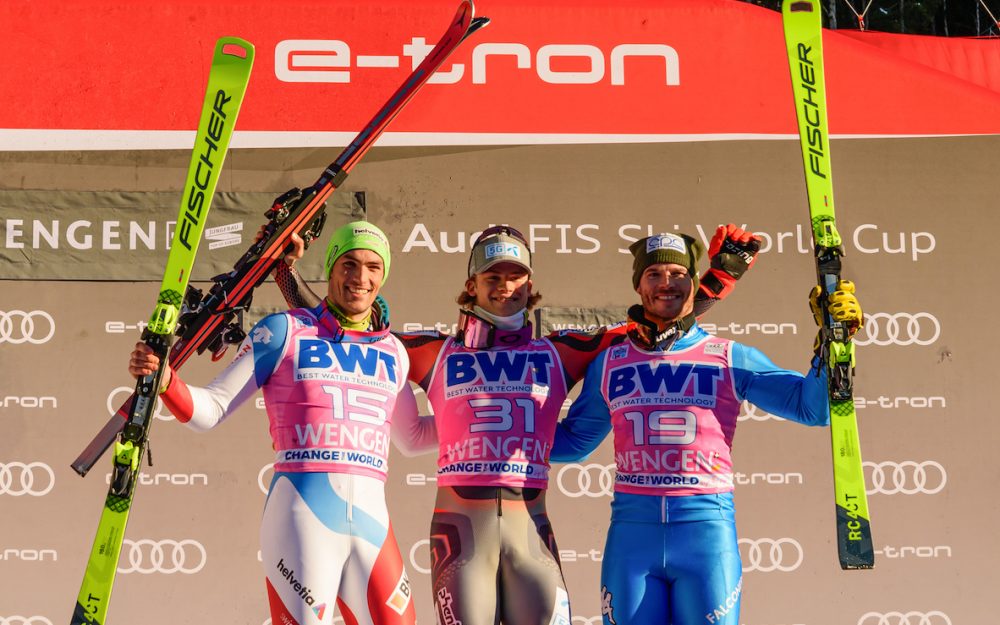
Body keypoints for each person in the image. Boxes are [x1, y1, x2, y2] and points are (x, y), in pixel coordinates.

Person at [271, 223, 760, 625]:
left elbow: (657, 323)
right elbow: (347, 325)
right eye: (493, 276)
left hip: (532, 535)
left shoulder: (560, 351)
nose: (505, 286)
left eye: (516, 276)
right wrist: (286, 274)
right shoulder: (432, 351)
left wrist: (717, 281)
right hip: (460, 538)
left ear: (531, 286)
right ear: (472, 285)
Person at [548, 232, 864, 625]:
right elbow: (575, 442)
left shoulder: (731, 357)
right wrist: (489, 442)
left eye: (679, 273)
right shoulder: (610, 362)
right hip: (632, 535)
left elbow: (811, 408)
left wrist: (834, 345)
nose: (667, 283)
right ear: (638, 285)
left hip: (706, 533)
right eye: (654, 273)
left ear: (694, 284)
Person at [128, 222, 420, 625]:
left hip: (373, 524)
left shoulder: (393, 351)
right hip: (303, 520)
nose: (361, 277)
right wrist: (165, 381)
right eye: (349, 263)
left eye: (373, 266)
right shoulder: (285, 331)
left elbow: (414, 436)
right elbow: (210, 410)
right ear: (332, 267)